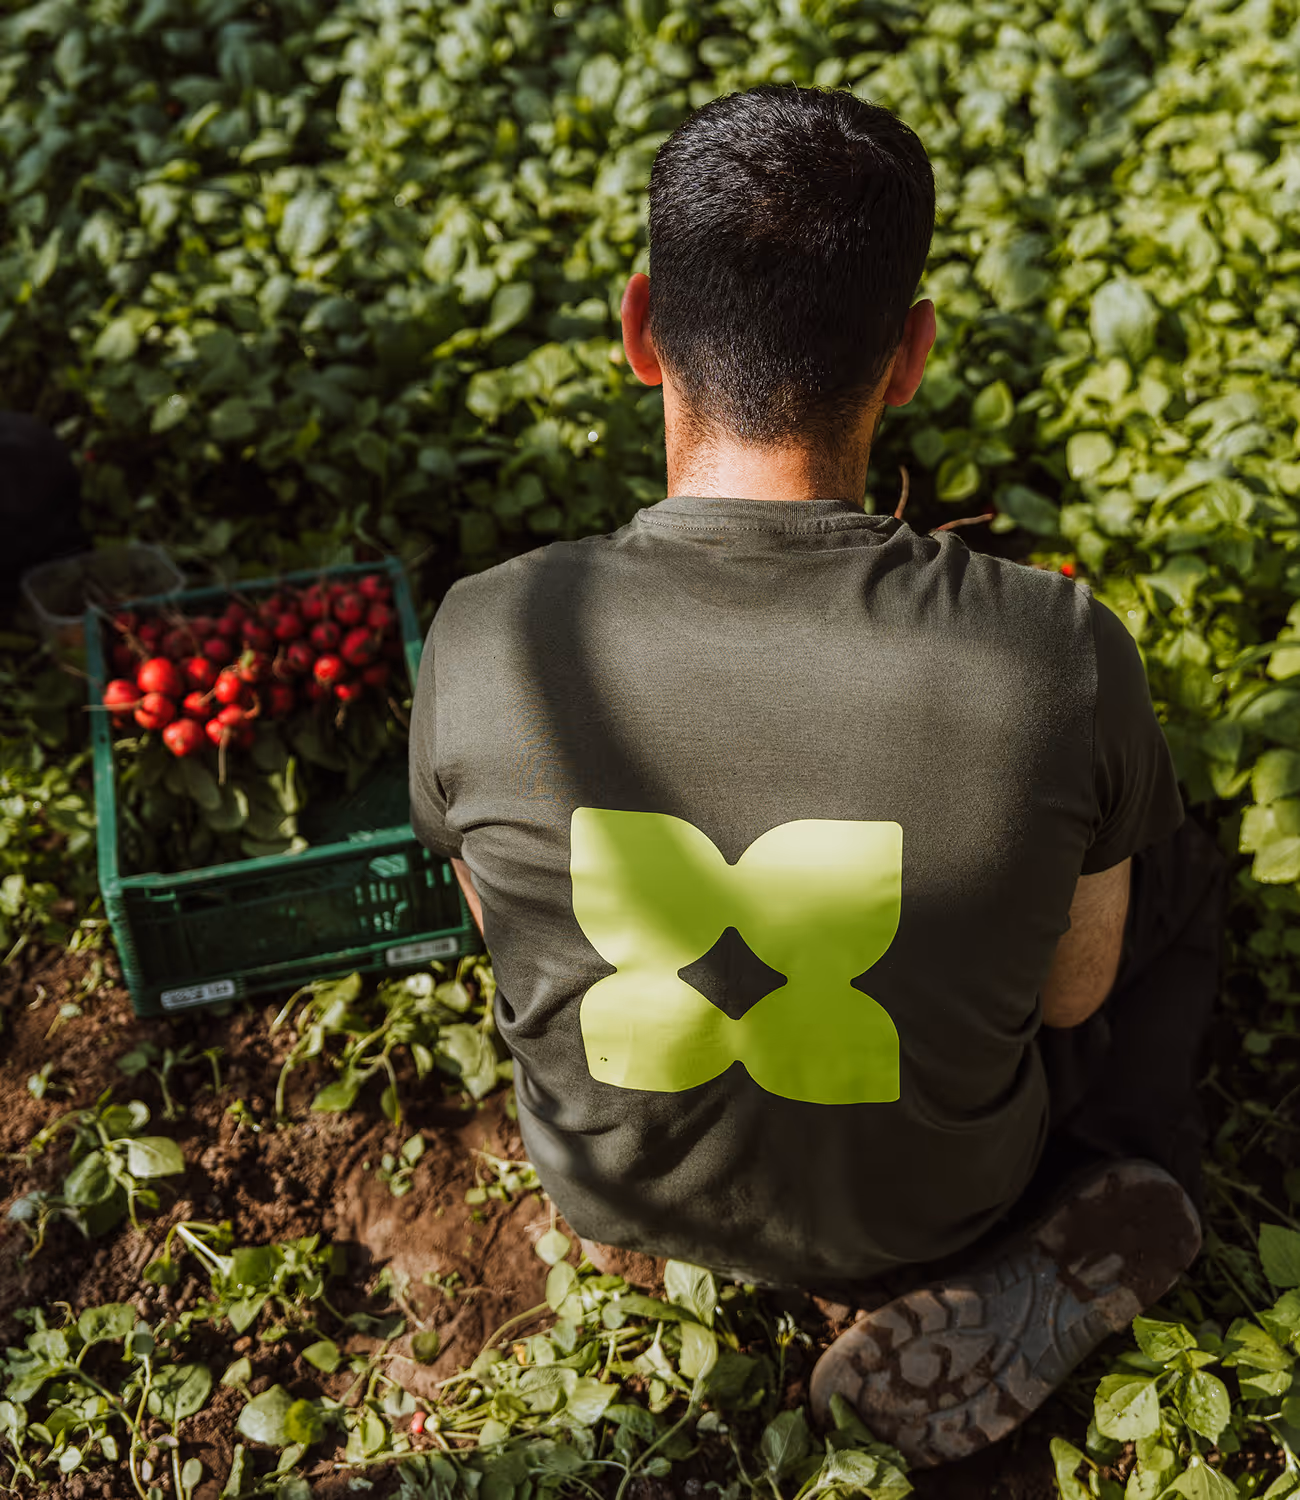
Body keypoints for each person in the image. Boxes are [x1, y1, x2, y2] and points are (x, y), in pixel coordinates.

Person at [409, 84, 1227, 1468]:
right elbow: (1073, 993)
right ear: (908, 356)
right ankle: (1105, 1192)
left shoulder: (487, 636)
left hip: (611, 1189)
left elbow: (499, 936)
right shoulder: (1056, 655)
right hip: (932, 1211)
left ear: (638, 328)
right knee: (1179, 875)